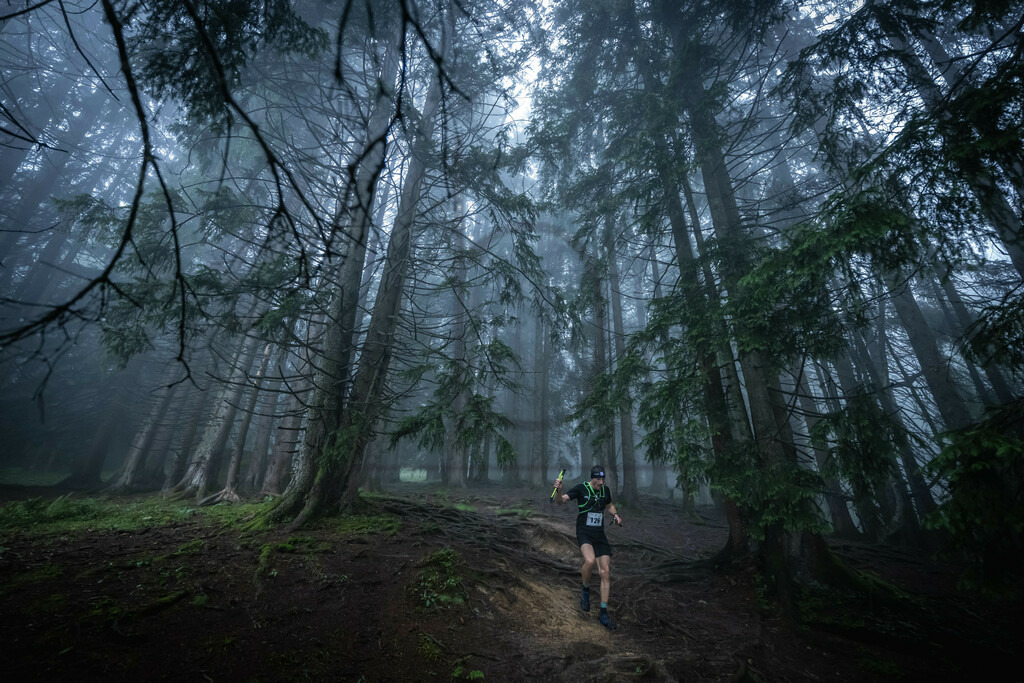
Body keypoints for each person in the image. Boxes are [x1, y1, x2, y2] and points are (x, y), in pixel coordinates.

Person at [553, 464, 622, 630]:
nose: (601, 482)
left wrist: (615, 515)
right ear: (592, 478)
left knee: (605, 572)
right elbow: (561, 501)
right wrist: (559, 491)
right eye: (598, 479)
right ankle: (585, 590)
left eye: (603, 479)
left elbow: (609, 505)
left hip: (599, 535)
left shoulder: (605, 491)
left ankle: (603, 613)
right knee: (590, 561)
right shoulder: (581, 488)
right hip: (584, 532)